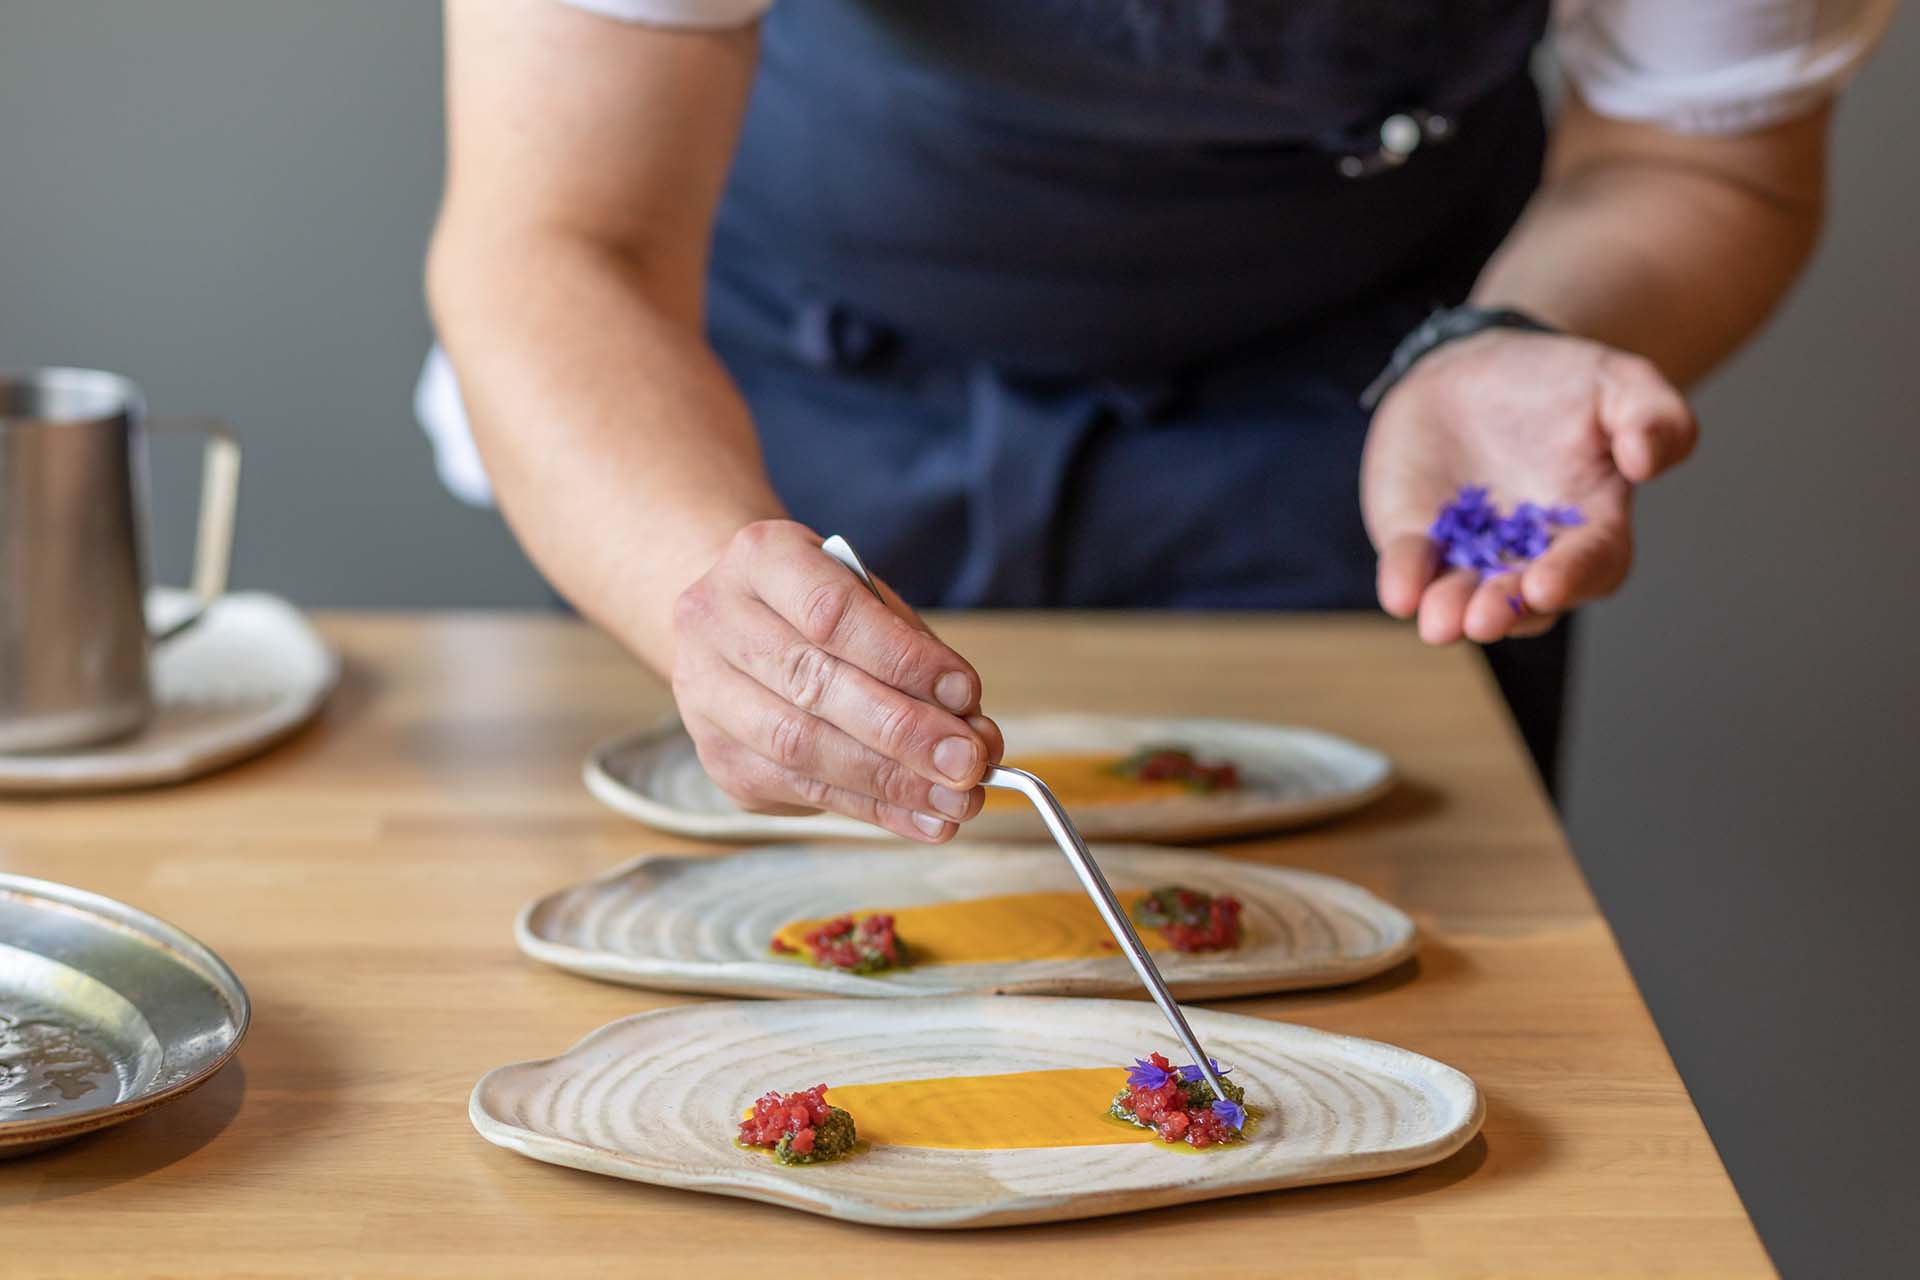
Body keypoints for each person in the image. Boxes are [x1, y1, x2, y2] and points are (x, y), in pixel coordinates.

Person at [419, 0, 1894, 839]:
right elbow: (559, 242)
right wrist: (695, 589)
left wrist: (1516, 338)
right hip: (768, 421)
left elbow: (1702, 163)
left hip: (1360, 435)